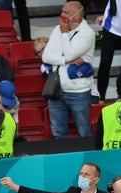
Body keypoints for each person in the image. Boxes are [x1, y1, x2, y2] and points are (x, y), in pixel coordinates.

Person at [42, 1, 96, 138]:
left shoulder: (87, 33)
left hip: (79, 93)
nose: (62, 15)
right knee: (58, 134)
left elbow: (70, 53)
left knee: (84, 133)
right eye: (62, 11)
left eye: (66, 13)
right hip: (57, 91)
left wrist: (65, 34)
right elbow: (46, 57)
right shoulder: (56, 29)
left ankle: (87, 160)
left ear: (78, 17)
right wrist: (66, 60)